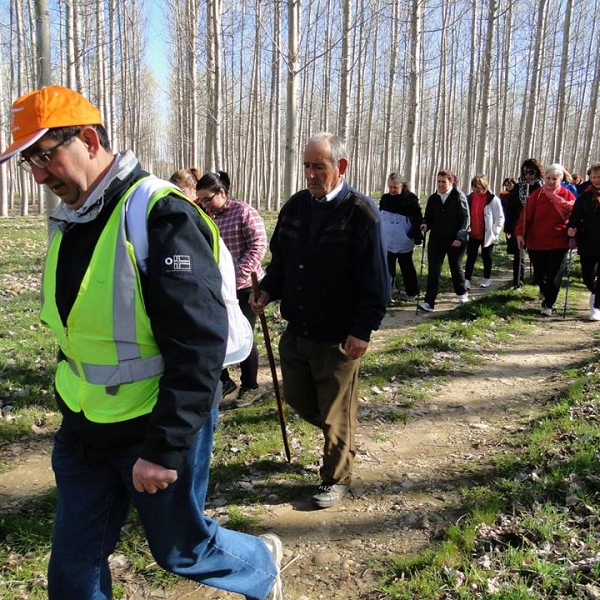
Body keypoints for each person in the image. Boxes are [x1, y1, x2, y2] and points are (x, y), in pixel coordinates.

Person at [0, 85, 283, 600]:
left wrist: (164, 446)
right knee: (72, 568)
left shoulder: (160, 214)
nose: (39, 176)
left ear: (88, 139)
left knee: (180, 550)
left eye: (44, 156)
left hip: (153, 425)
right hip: (84, 428)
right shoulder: (72, 218)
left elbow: (199, 347)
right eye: (28, 162)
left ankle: (261, 565)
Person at [250, 132, 389, 509]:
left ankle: (336, 477)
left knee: (335, 413)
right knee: (298, 398)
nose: (310, 173)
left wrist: (363, 330)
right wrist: (266, 290)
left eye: (319, 166)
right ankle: (341, 436)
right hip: (298, 330)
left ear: (340, 167)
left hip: (339, 338)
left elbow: (377, 279)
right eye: (307, 166)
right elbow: (281, 262)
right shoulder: (296, 207)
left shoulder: (361, 213)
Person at [196, 171, 268, 407]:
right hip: (217, 286)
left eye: (207, 199)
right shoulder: (205, 214)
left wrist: (236, 274)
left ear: (222, 193)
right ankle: (225, 380)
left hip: (246, 286)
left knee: (243, 332)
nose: (204, 204)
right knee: (216, 333)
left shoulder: (244, 212)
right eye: (201, 200)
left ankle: (251, 386)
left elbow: (258, 246)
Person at [516, 163, 575, 316]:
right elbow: (525, 217)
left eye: (554, 179)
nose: (550, 181)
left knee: (555, 274)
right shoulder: (536, 195)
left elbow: (576, 215)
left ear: (560, 179)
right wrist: (520, 234)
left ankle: (548, 303)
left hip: (559, 241)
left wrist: (574, 229)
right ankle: (544, 289)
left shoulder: (567, 195)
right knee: (540, 273)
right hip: (537, 241)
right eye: (548, 178)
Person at [418, 169, 470, 312]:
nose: (440, 185)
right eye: (439, 181)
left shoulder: (459, 196)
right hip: (436, 239)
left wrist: (460, 237)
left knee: (456, 267)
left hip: (455, 240)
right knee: (434, 271)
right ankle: (429, 302)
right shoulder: (433, 198)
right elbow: (428, 216)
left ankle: (462, 293)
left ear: (451, 181)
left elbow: (465, 219)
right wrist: (425, 224)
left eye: (444, 182)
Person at [378, 172, 423, 301]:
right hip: (387, 241)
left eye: (395, 187)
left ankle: (412, 292)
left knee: (407, 268)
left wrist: (414, 233)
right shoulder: (385, 199)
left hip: (404, 241)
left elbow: (418, 218)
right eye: (390, 187)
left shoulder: (410, 199)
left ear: (402, 186)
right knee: (387, 270)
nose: (392, 190)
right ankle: (386, 294)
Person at [503, 158, 544, 289]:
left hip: (536, 226)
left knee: (536, 256)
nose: (528, 175)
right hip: (518, 225)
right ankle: (517, 283)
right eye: (525, 172)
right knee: (518, 254)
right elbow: (510, 208)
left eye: (531, 172)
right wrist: (508, 227)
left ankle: (539, 281)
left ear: (537, 172)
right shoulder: (518, 187)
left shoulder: (541, 188)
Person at [567, 162, 600, 321]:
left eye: (599, 177)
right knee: (588, 276)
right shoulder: (584, 196)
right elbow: (574, 216)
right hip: (588, 239)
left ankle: (596, 307)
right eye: (593, 177)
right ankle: (594, 293)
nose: (596, 180)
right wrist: (572, 227)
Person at [464, 174, 505, 289]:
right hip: (472, 233)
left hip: (487, 234)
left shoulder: (493, 199)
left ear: (485, 187)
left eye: (479, 189)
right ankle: (467, 279)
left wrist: (495, 232)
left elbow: (500, 217)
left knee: (487, 256)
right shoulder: (470, 198)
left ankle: (487, 278)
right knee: (471, 257)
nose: (477, 191)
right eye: (474, 188)